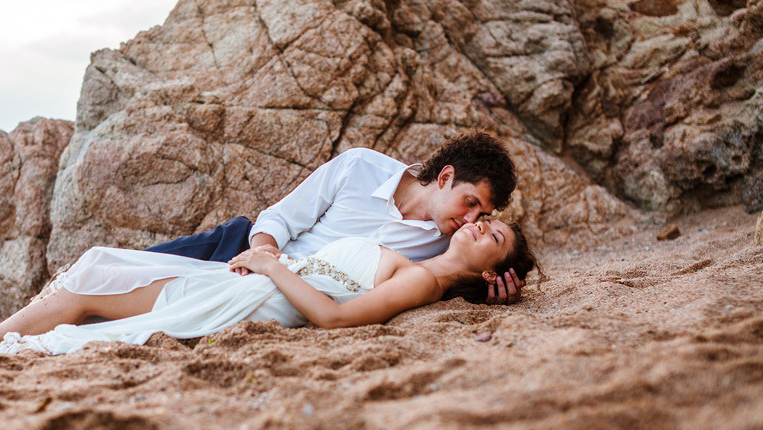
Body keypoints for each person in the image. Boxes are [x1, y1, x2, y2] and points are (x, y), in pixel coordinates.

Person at [0, 218, 536, 359]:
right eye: (482, 215)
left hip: (256, 298)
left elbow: (338, 322)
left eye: (494, 234)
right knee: (95, 267)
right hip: (254, 280)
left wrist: (272, 270)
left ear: (489, 271)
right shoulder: (412, 252)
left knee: (93, 282)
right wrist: (268, 255)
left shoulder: (423, 280)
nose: (482, 223)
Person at [145, 130, 525, 303]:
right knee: (119, 276)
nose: (473, 219)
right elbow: (281, 217)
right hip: (239, 246)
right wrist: (263, 256)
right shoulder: (359, 166)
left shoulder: (447, 245)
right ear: (445, 177)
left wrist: (491, 293)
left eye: (483, 215)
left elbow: (450, 278)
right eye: (470, 202)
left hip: (285, 292)